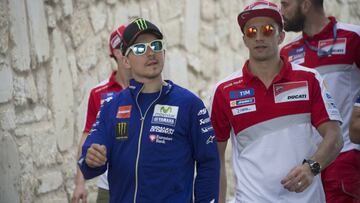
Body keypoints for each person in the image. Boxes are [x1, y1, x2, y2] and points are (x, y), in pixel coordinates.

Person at [209, 1, 343, 202]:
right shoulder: (224, 91)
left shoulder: (310, 79)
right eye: (252, 31)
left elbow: (335, 136)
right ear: (244, 39)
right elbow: (215, 159)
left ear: (281, 36)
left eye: (268, 29)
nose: (259, 37)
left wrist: (311, 167)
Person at [78, 18, 220, 203]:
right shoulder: (111, 107)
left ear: (164, 52)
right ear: (126, 60)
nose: (151, 52)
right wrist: (91, 158)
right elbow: (89, 162)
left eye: (156, 45)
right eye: (139, 48)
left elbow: (209, 163)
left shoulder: (190, 104)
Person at [280, 0, 360, 202]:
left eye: (285, 4)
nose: (281, 11)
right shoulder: (286, 53)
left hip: (344, 159)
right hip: (302, 169)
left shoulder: (353, 37)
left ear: (306, 5)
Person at [72, 24, 131, 203]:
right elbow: (87, 137)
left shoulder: (149, 89)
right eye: (129, 47)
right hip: (109, 188)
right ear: (117, 53)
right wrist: (79, 184)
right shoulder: (99, 92)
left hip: (144, 185)